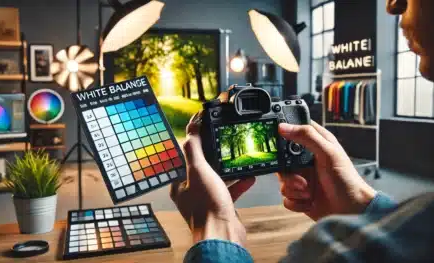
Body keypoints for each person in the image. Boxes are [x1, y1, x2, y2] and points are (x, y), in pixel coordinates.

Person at [170, 0, 434, 262]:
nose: (392, 5)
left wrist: (215, 229)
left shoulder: (328, 253)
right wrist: (359, 208)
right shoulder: (418, 230)